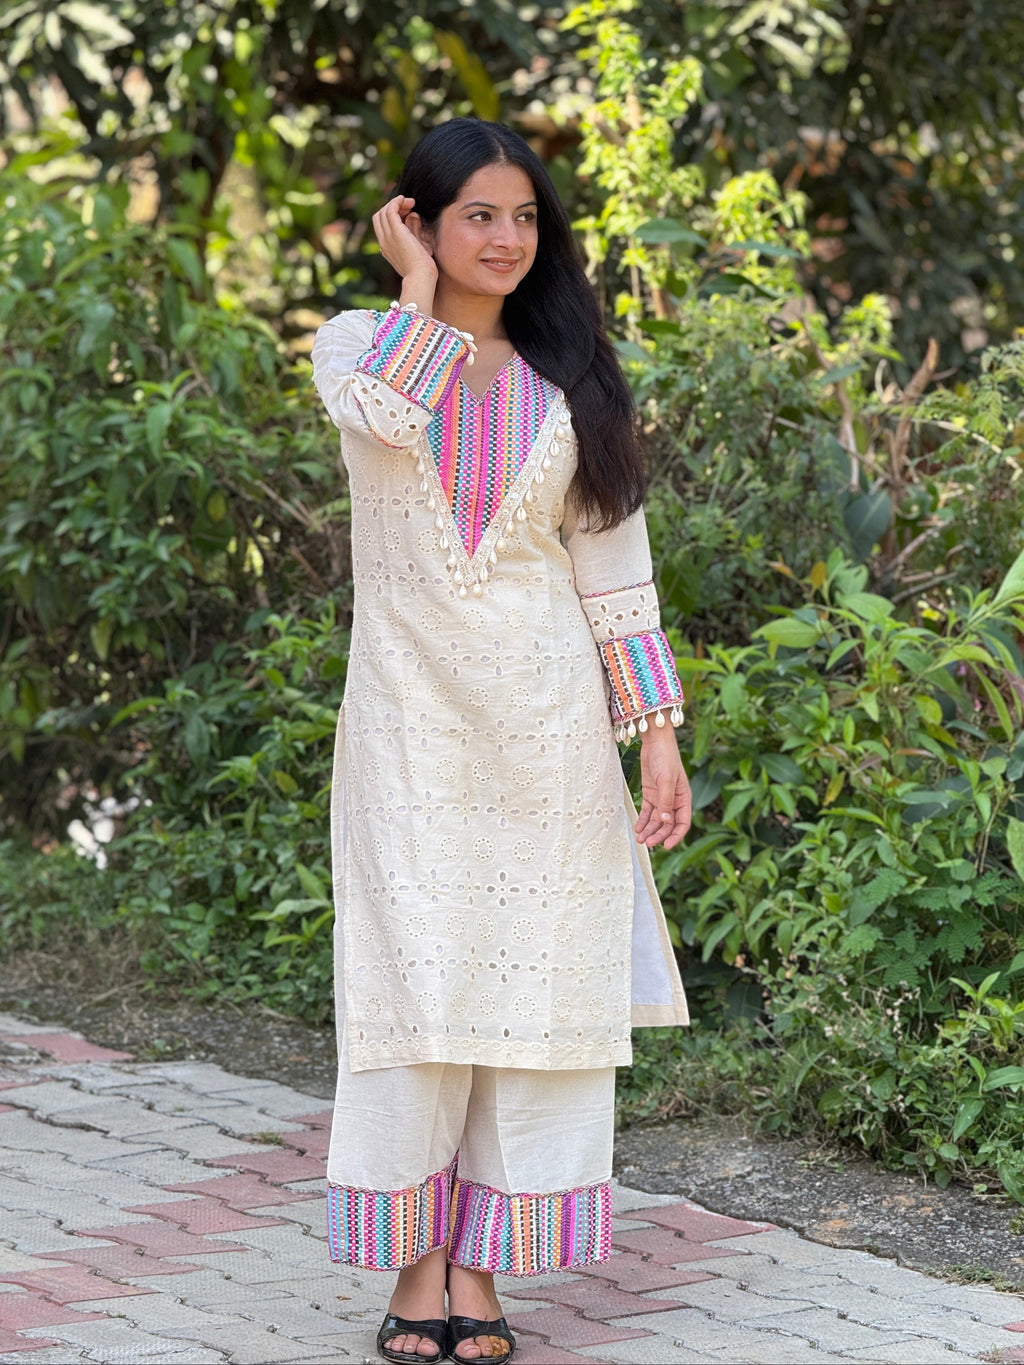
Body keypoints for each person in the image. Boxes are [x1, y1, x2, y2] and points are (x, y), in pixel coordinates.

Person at [311, 118, 692, 1365]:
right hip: (407, 736)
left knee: (523, 995)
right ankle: (413, 1275)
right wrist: (416, 290)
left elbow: (613, 573)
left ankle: (478, 1280)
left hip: (546, 736)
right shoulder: (361, 348)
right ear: (417, 222)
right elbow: (382, 418)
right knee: (416, 991)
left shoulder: (567, 383)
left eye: (524, 218)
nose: (507, 240)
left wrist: (656, 737)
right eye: (477, 215)